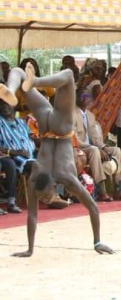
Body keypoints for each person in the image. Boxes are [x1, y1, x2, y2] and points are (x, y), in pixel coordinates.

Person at [1, 64, 114, 257]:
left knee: (63, 76)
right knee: (60, 75)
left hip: (54, 127)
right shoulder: (44, 177)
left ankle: (12, 90)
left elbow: (33, 216)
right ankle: (24, 84)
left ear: (52, 189)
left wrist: (30, 249)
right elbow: (92, 208)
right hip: (54, 127)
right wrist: (97, 241)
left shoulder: (42, 177)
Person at [73, 90, 121, 202]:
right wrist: (96, 148)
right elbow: (75, 139)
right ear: (76, 98)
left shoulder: (90, 115)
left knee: (116, 150)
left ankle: (118, 188)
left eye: (87, 96)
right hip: (79, 148)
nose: (85, 97)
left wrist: (103, 147)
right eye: (82, 95)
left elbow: (95, 138)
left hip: (91, 147)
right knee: (94, 151)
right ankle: (101, 190)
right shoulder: (71, 114)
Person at [0, 99, 35, 214]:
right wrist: (13, 152)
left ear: (14, 105)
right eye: (2, 104)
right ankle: (11, 202)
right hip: (11, 156)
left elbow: (31, 137)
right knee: (10, 164)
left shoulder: (21, 122)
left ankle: (58, 193)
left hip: (30, 155)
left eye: (7, 103)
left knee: (52, 160)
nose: (5, 107)